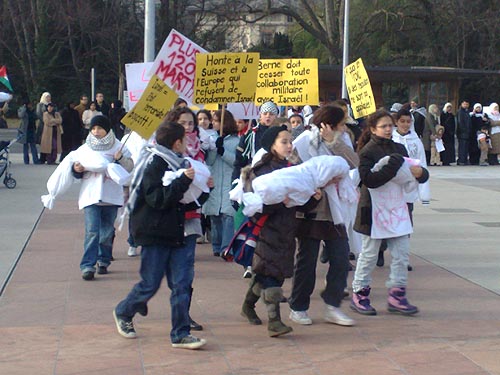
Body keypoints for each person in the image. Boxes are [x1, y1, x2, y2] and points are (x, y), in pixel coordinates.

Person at [113, 121, 207, 350]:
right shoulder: (154, 163)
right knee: (150, 283)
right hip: (154, 234)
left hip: (177, 232)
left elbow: (185, 203)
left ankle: (181, 334)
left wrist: (205, 189)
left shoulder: (181, 164)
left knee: (181, 284)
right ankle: (124, 311)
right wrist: (183, 181)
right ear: (177, 143)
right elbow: (158, 200)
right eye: (184, 139)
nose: (187, 144)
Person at [240, 125, 319, 337]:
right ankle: (274, 321)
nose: (289, 145)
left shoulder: (293, 170)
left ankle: (247, 306)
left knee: (267, 273)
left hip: (287, 231)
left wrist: (313, 198)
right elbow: (253, 207)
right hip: (266, 232)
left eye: (290, 141)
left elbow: (299, 204)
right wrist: (278, 202)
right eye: (283, 141)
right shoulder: (260, 171)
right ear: (271, 145)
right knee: (272, 277)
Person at [350, 109, 429, 316]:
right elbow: (369, 180)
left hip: (397, 209)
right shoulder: (367, 151)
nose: (388, 129)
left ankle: (397, 294)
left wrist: (421, 174)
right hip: (372, 211)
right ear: (373, 129)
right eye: (383, 126)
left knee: (401, 254)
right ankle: (360, 293)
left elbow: (416, 170)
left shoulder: (399, 147)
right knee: (368, 255)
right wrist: (392, 167)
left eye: (390, 126)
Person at [288, 105, 359, 327]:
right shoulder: (303, 142)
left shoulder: (341, 140)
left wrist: (334, 142)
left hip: (336, 210)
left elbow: (354, 163)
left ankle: (333, 305)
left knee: (340, 257)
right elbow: (294, 172)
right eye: (340, 124)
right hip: (311, 208)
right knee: (307, 261)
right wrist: (320, 183)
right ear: (327, 124)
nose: (343, 128)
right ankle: (298, 307)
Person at [72, 115, 133, 280]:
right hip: (91, 195)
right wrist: (76, 169)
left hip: (111, 195)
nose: (96, 132)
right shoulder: (85, 148)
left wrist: (120, 159)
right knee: (92, 231)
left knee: (106, 231)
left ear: (107, 129)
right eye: (93, 128)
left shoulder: (119, 147)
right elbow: (75, 167)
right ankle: (88, 266)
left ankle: (103, 260)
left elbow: (130, 168)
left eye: (99, 128)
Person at [164, 106, 209, 332]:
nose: (188, 127)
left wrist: (206, 185)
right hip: (168, 217)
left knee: (186, 270)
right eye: (183, 123)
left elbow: (203, 185)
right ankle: (128, 310)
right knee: (159, 273)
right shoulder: (163, 152)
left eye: (191, 123)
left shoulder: (200, 151)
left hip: (191, 216)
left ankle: (183, 315)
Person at [202, 110, 239, 257]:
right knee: (215, 216)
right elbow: (209, 161)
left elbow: (236, 162)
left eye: (217, 121)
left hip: (229, 182)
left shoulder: (236, 141)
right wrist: (214, 148)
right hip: (215, 181)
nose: (214, 123)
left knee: (228, 216)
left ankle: (227, 247)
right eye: (214, 121)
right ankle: (216, 247)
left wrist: (223, 151)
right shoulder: (210, 138)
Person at [232, 101, 278, 182]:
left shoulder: (280, 134)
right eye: (265, 113)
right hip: (254, 176)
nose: (268, 116)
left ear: (276, 116)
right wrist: (235, 180)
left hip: (274, 176)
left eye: (271, 114)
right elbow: (239, 160)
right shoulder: (250, 135)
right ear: (260, 115)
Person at [17, 99, 40, 164]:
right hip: (25, 130)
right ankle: (26, 160)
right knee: (25, 146)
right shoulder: (22, 109)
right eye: (29, 104)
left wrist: (33, 110)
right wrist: (24, 108)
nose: (30, 105)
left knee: (33, 145)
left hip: (32, 129)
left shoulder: (32, 111)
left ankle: (36, 160)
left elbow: (36, 117)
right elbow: (20, 115)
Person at [36, 92, 51, 164]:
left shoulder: (51, 105)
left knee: (49, 142)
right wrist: (45, 121)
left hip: (50, 126)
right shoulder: (40, 105)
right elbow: (38, 114)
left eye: (49, 97)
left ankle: (49, 158)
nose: (48, 98)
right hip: (43, 126)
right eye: (47, 97)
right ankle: (42, 158)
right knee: (43, 142)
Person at [456, 100, 471, 165]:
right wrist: (464, 130)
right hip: (462, 132)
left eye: (467, 104)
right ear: (461, 104)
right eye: (464, 104)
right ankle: (461, 160)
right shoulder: (460, 112)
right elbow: (460, 122)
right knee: (462, 147)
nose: (466, 105)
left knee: (466, 147)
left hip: (467, 132)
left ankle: (464, 159)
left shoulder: (467, 112)